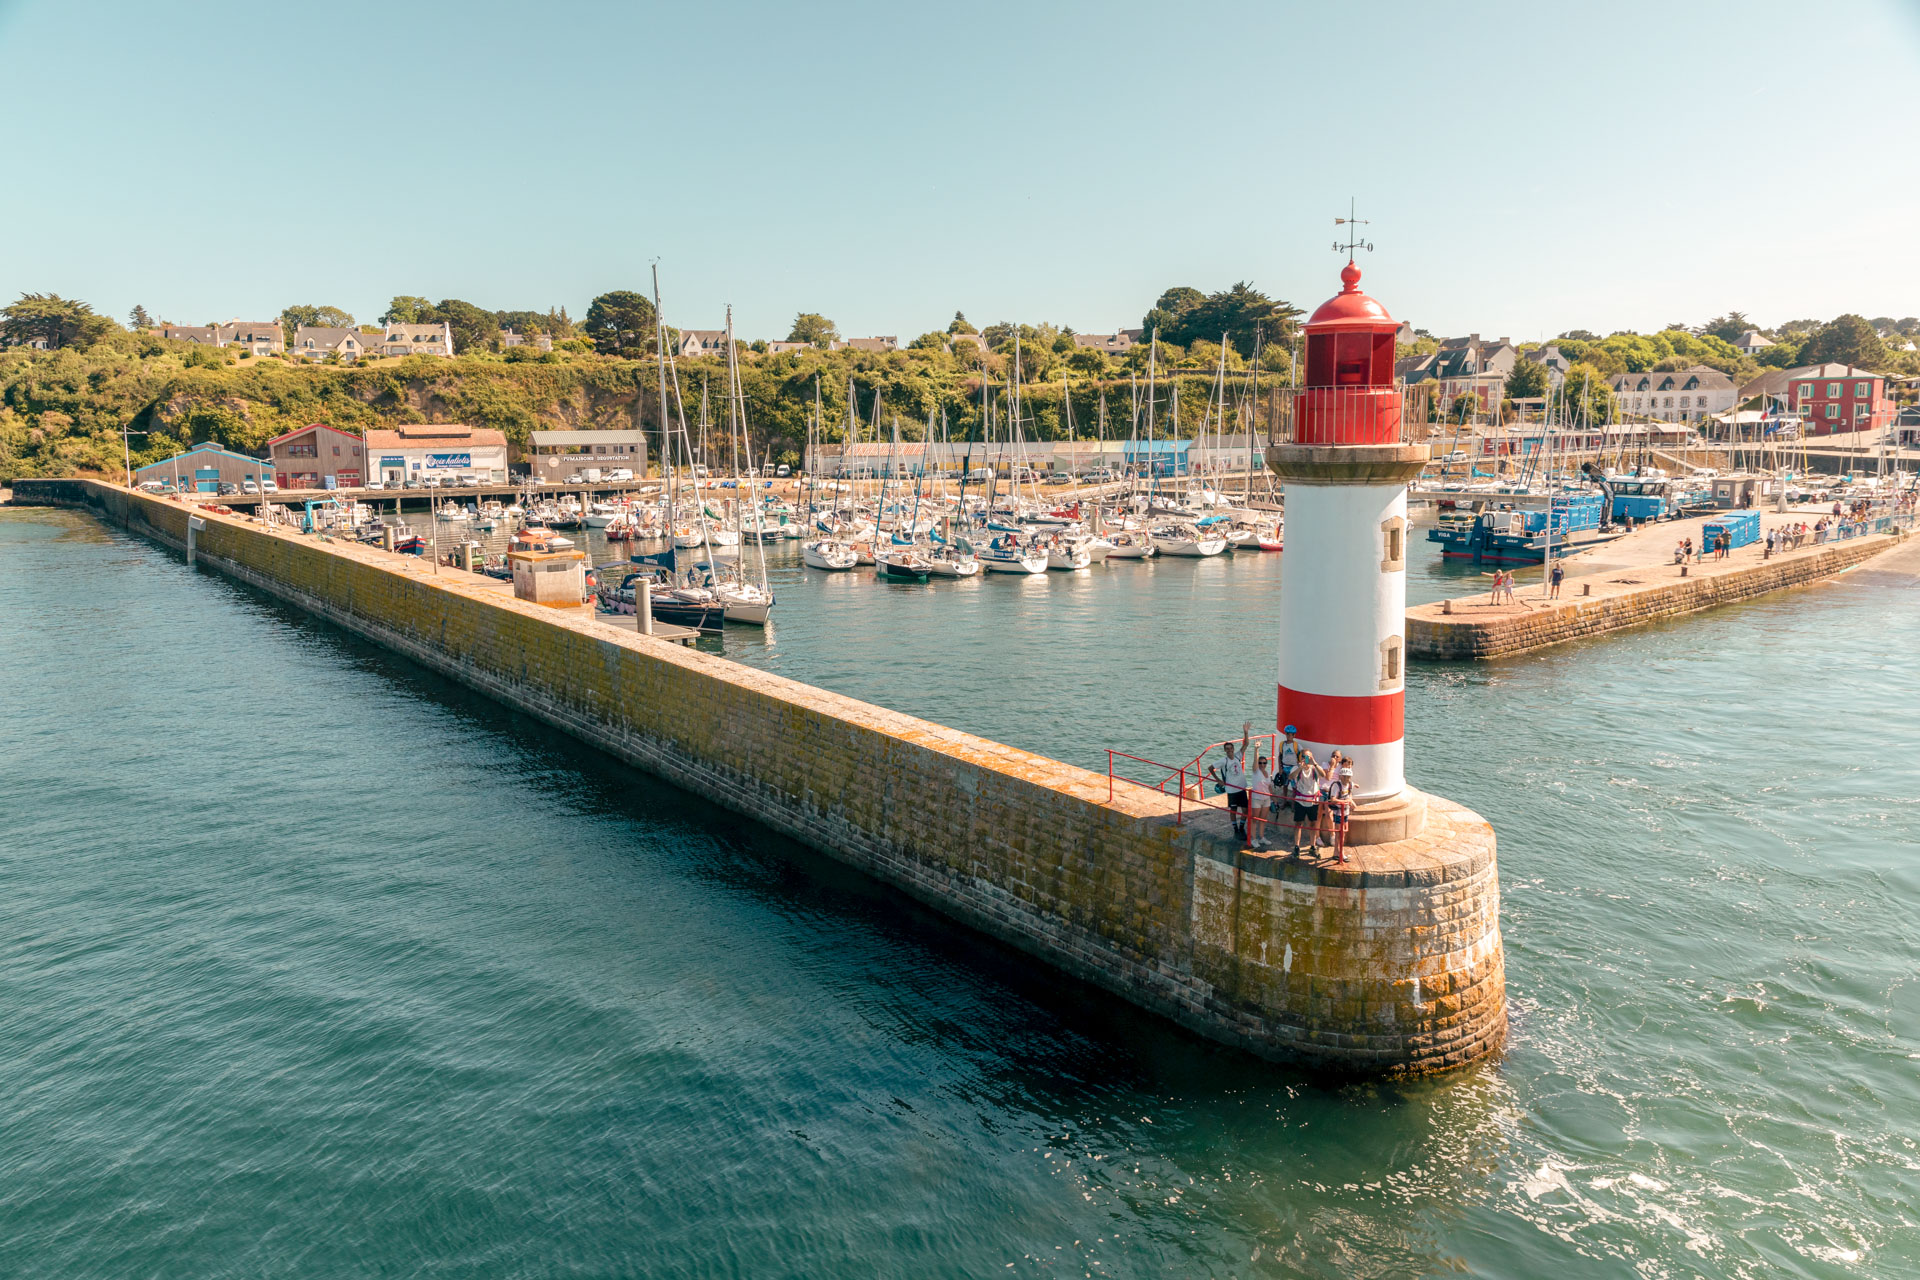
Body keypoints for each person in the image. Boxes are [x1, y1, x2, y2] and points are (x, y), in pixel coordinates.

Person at [1207, 722, 1250, 843]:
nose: (1230, 750)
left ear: (1233, 749)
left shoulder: (1237, 756)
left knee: (1245, 810)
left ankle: (1241, 828)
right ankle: (1236, 830)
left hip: (1241, 788)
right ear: (1225, 751)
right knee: (1233, 811)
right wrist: (1218, 780)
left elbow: (1246, 744)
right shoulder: (1223, 761)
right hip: (1231, 790)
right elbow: (1210, 768)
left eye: (1231, 748)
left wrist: (1246, 732)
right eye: (1227, 749)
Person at [1289, 750, 1323, 855]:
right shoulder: (1297, 768)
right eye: (1304, 756)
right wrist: (1301, 767)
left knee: (1313, 823)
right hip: (1300, 800)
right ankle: (1296, 846)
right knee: (1298, 824)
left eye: (1308, 757)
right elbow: (1291, 777)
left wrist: (1315, 763)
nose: (1306, 758)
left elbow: (1323, 774)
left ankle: (1313, 846)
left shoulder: (1314, 768)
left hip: (1313, 801)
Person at [1325, 766, 1357, 864]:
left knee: (1342, 833)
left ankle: (1336, 852)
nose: (1347, 779)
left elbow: (1350, 793)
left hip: (1345, 811)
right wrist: (1345, 801)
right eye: (1345, 777)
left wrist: (1350, 801)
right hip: (1339, 812)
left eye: (1348, 777)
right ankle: (1341, 853)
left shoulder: (1350, 784)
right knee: (1340, 833)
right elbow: (1333, 799)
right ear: (1341, 777)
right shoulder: (1336, 785)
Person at [1246, 751, 1274, 851]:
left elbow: (1269, 787)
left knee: (1263, 819)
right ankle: (1254, 839)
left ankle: (1261, 837)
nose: (1262, 765)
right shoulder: (1256, 771)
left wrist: (1273, 798)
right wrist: (1256, 749)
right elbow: (1254, 761)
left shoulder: (1268, 772)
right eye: (1260, 763)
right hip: (1256, 798)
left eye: (1264, 763)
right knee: (1255, 819)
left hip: (1266, 798)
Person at [1277, 725, 1301, 790]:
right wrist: (1280, 768)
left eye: (1291, 735)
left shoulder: (1297, 745)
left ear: (1294, 735)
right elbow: (1280, 756)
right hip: (1284, 767)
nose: (1289, 736)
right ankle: (1284, 799)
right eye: (1288, 734)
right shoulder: (1282, 744)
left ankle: (1293, 799)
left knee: (1294, 786)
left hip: (1293, 767)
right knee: (1285, 785)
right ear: (1285, 734)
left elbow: (1303, 752)